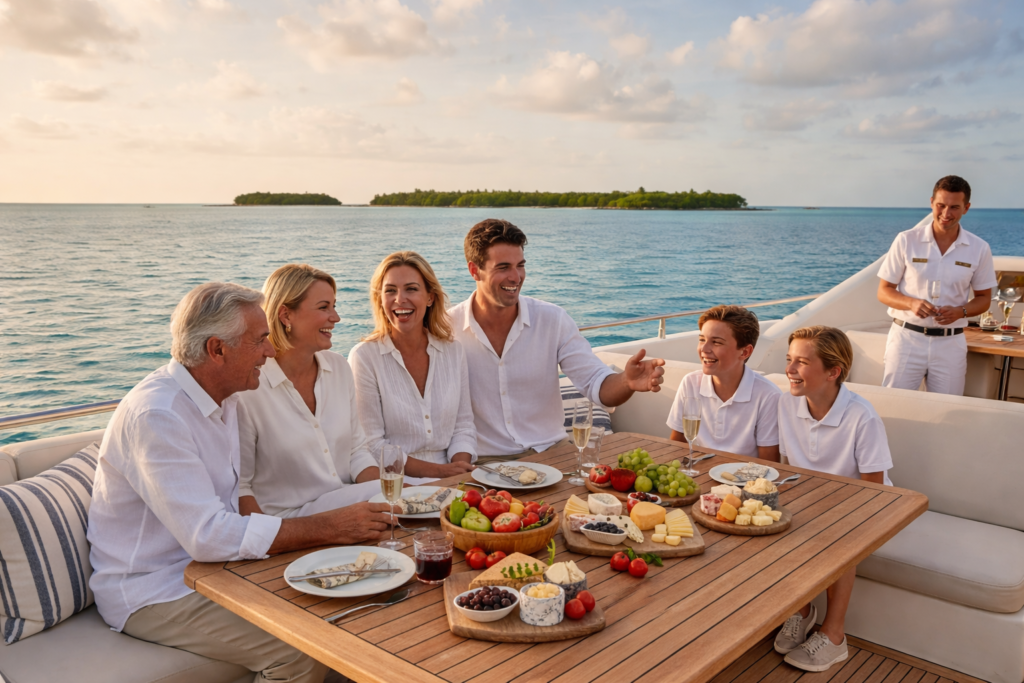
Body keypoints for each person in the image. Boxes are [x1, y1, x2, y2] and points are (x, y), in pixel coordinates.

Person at [88, 282, 395, 683]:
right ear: (217, 350)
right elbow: (207, 536)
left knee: (357, 608)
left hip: (216, 570)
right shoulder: (157, 416)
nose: (270, 351)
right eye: (260, 340)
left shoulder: (225, 395)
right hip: (155, 589)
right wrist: (329, 527)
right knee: (300, 651)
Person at [450, 218, 666, 461]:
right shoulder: (447, 329)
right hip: (482, 462)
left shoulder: (553, 320)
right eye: (503, 267)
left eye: (520, 265)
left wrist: (627, 381)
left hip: (551, 455)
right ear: (474, 270)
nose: (516, 277)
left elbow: (596, 383)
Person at [774, 326, 893, 672]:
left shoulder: (862, 416)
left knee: (838, 538)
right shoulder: (786, 404)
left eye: (801, 362)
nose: (790, 370)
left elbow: (873, 494)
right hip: (811, 502)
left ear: (832, 371)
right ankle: (800, 611)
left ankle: (834, 636)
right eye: (788, 360)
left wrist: (830, 515)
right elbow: (786, 469)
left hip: (862, 507)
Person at [236, 264, 381, 519]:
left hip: (349, 511)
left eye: (334, 306)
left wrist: (386, 495)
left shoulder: (338, 368)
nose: (335, 317)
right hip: (289, 525)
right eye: (324, 307)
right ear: (286, 315)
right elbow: (240, 487)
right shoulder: (249, 389)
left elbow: (357, 452)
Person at [349, 251, 478, 479]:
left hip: (453, 473)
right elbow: (373, 445)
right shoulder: (365, 357)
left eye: (411, 288)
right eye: (390, 290)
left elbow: (463, 426)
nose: (400, 299)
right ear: (380, 298)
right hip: (395, 481)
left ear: (430, 297)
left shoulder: (453, 351)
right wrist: (438, 472)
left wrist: (458, 472)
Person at [876, 175, 996, 395]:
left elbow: (984, 299)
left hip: (951, 344)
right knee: (895, 405)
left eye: (954, 207)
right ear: (931, 202)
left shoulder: (979, 248)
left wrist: (961, 311)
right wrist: (911, 303)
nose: (946, 214)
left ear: (966, 208)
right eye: (940, 205)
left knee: (948, 409)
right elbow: (884, 291)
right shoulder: (906, 240)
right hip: (906, 340)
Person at [667, 305, 781, 460]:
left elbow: (768, 465)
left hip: (745, 481)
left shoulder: (768, 396)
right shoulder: (691, 383)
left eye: (716, 342)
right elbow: (676, 447)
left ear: (745, 352)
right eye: (702, 340)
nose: (704, 349)